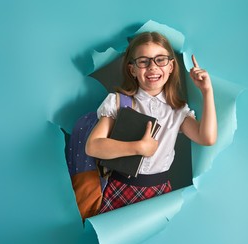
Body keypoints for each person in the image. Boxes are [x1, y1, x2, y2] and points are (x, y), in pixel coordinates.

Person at [85, 31, 217, 213]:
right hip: (119, 189)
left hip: (160, 192)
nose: (153, 67)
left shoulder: (177, 110)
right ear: (132, 69)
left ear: (171, 67)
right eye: (143, 61)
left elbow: (207, 138)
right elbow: (93, 146)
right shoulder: (119, 102)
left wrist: (207, 92)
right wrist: (138, 147)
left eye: (160, 60)